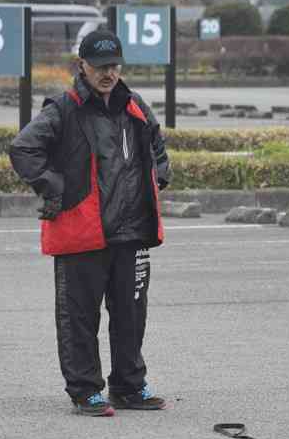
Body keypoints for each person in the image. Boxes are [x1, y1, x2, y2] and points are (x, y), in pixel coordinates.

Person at [9, 30, 171, 416]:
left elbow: (157, 147)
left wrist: (158, 177)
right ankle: (85, 390)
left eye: (114, 66)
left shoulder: (135, 106)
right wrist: (54, 186)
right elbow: (23, 148)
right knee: (79, 317)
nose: (108, 74)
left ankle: (129, 386)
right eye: (100, 67)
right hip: (83, 232)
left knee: (131, 314)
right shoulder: (63, 109)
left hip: (132, 233)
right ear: (81, 66)